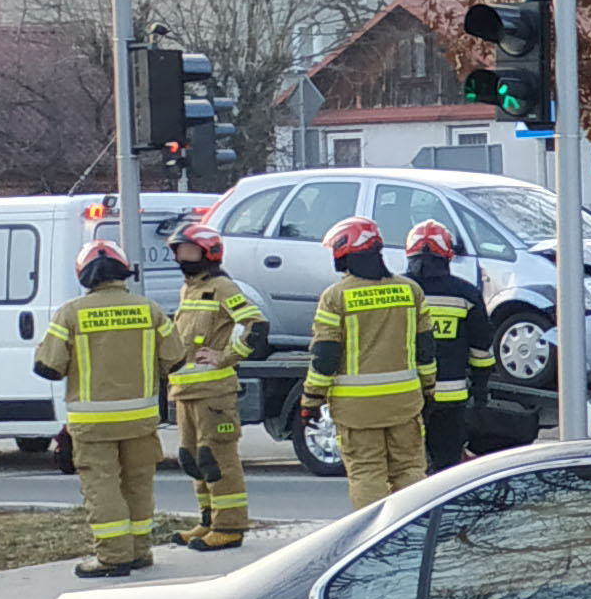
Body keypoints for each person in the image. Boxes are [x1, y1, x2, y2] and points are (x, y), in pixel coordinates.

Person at [35, 239, 164, 575]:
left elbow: (48, 366)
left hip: (93, 424)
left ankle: (113, 557)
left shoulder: (70, 313)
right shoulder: (149, 310)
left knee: (103, 487)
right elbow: (175, 358)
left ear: (84, 275)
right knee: (138, 484)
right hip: (141, 420)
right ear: (123, 270)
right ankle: (139, 552)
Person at [299, 216, 431, 507]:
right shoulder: (410, 291)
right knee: (410, 469)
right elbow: (425, 350)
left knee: (367, 473)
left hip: (357, 409)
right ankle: (414, 534)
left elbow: (325, 357)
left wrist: (310, 400)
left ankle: (374, 537)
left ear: (343, 252)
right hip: (404, 403)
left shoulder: (335, 297)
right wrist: (428, 390)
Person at [161, 219, 268, 550]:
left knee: (217, 458)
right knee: (193, 458)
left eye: (189, 251)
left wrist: (225, 357)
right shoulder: (188, 289)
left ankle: (230, 526)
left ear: (208, 253)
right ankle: (208, 520)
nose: (182, 258)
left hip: (214, 393)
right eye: (179, 252)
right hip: (186, 391)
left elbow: (256, 326)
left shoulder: (223, 288)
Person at [407, 220, 494, 472]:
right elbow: (481, 349)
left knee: (408, 468)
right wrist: (480, 394)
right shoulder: (465, 294)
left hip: (408, 397)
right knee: (447, 470)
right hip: (451, 398)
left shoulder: (398, 291)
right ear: (447, 256)